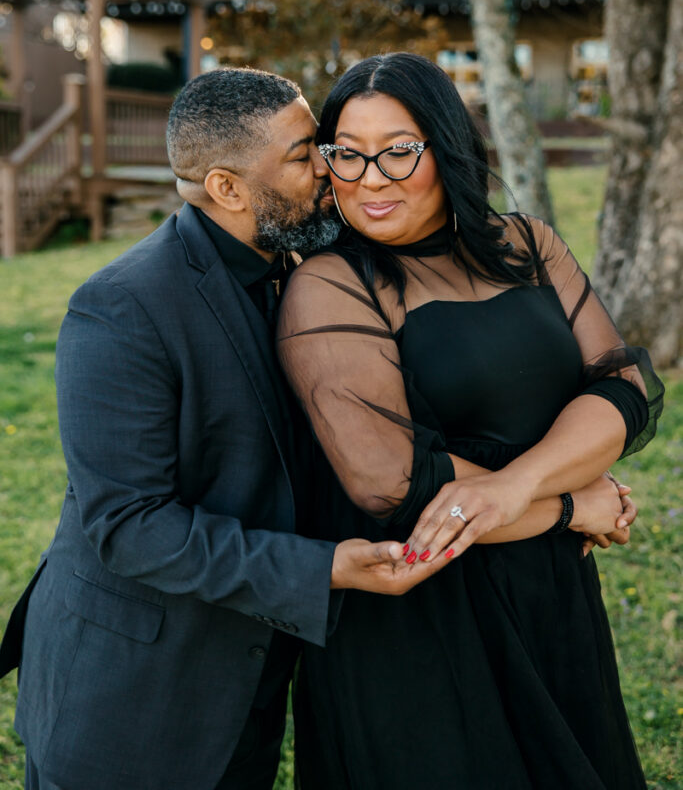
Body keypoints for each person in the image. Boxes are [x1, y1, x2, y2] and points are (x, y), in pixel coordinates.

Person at [0, 67, 456, 790]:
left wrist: (554, 491)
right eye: (305, 156)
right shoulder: (120, 308)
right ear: (227, 189)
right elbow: (129, 526)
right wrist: (321, 570)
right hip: (128, 700)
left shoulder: (314, 267)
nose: (329, 169)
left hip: (248, 688)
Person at [277, 52, 664, 790]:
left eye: (398, 150)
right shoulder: (330, 285)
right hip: (425, 620)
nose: (370, 179)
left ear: (447, 147)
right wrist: (568, 506)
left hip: (552, 593)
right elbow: (392, 484)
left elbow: (619, 384)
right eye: (346, 154)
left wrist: (518, 486)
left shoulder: (528, 244)